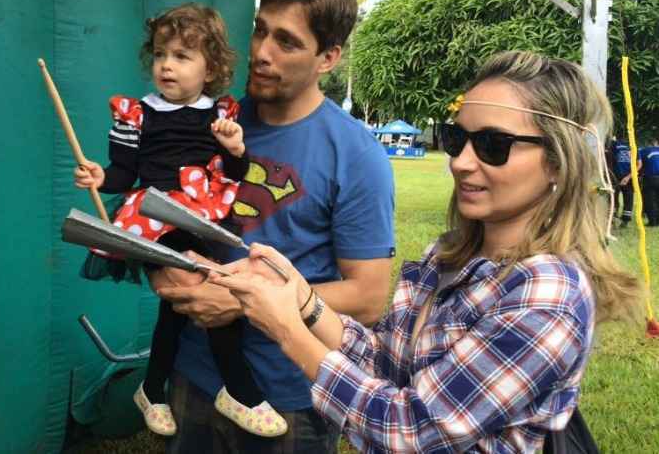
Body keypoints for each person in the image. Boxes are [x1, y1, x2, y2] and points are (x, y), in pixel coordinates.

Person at [209, 51, 644, 453]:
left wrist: (288, 330)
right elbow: (386, 362)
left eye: (493, 145)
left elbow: (410, 428)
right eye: (459, 139)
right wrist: (302, 299)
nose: (461, 162)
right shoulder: (449, 256)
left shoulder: (548, 293)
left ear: (556, 160)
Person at [148, 0, 395, 454]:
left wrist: (242, 300)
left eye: (287, 41)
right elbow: (164, 214)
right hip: (194, 371)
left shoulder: (356, 154)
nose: (261, 52)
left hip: (289, 392)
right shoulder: (212, 122)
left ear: (329, 57)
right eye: (260, 30)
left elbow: (367, 297)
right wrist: (162, 269)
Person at [73, 3, 287, 438]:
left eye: (181, 56)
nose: (166, 66)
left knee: (179, 307)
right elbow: (123, 172)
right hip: (150, 218)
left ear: (210, 69)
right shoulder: (138, 113)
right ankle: (239, 389)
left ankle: (153, 389)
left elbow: (235, 177)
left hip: (196, 217)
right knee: (204, 284)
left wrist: (235, 151)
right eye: (159, 54)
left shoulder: (220, 115)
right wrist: (100, 176)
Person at [610, 137, 638, 226]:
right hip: (623, 176)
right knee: (626, 198)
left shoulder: (613, 144)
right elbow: (639, 164)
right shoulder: (632, 145)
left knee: (614, 197)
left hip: (619, 176)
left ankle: (616, 218)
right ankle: (618, 219)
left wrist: (627, 177)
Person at [639, 137, 659, 226]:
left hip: (650, 178)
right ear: (655, 143)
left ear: (648, 143)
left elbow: (639, 165)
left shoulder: (643, 151)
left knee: (650, 200)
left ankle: (653, 222)